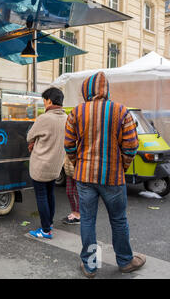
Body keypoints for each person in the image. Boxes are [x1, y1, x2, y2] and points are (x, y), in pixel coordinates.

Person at [64, 71, 144, 278]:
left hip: (84, 177)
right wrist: (122, 166)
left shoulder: (76, 112)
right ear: (106, 90)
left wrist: (78, 163)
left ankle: (90, 266)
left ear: (86, 90)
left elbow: (69, 145)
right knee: (118, 219)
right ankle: (125, 261)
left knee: (88, 220)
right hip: (113, 177)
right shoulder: (121, 111)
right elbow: (131, 145)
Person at [27, 87, 68, 239]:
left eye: (44, 100)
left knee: (42, 196)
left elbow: (29, 136)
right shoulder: (66, 118)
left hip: (41, 165)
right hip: (56, 165)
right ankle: (49, 223)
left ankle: (45, 230)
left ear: (49, 100)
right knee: (50, 193)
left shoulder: (45, 118)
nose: (44, 104)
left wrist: (33, 142)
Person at [62, 154, 80, 225]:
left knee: (77, 193)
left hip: (77, 170)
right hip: (68, 170)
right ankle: (74, 212)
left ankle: (78, 215)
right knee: (69, 192)